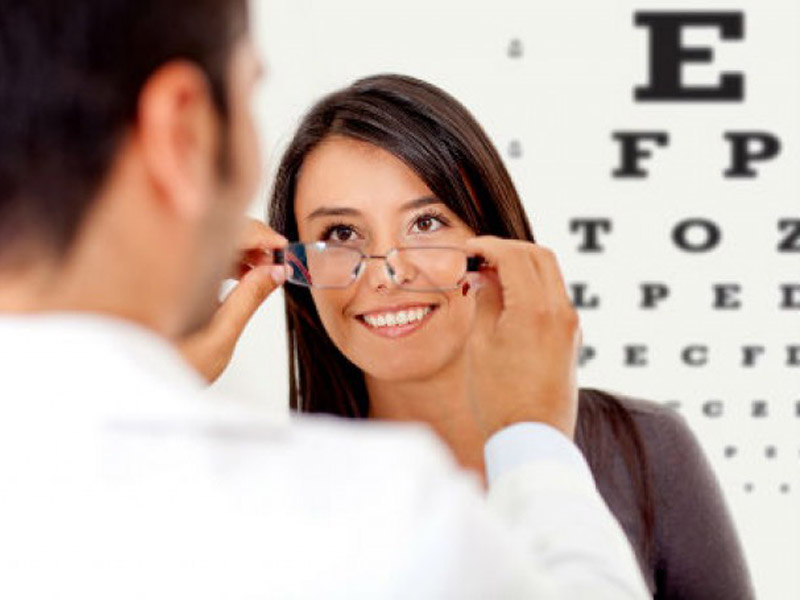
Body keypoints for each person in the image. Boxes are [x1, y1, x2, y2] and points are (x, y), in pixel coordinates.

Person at [0, 1, 649, 598]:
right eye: (249, 93)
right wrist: (534, 439)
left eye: (426, 222)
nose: (388, 274)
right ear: (184, 130)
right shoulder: (366, 518)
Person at [267, 74, 755, 598]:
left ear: (494, 240)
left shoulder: (644, 447)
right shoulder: (268, 494)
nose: (388, 273)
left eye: (426, 223)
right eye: (341, 234)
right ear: (297, 271)